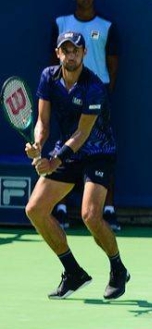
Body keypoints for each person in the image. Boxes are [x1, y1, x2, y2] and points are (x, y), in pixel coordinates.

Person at [24, 31, 129, 300]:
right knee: (35, 210)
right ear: (58, 54)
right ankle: (73, 272)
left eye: (76, 50)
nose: (70, 55)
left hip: (98, 152)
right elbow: (43, 122)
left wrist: (54, 160)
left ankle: (117, 268)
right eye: (65, 50)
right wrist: (38, 146)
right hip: (67, 150)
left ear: (83, 54)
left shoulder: (94, 86)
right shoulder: (49, 77)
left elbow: (82, 134)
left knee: (90, 215)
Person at [51, 0, 121, 231]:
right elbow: (55, 65)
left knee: (101, 149)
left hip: (96, 100)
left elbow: (112, 63)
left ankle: (108, 210)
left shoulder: (106, 26)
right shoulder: (61, 23)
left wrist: (100, 93)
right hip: (68, 98)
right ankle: (60, 209)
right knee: (67, 147)